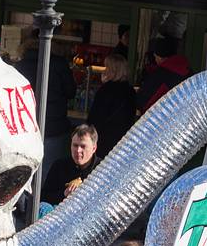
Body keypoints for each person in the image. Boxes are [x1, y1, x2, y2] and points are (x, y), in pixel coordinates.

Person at [17, 31, 76, 169]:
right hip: (54, 126)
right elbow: (71, 91)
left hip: (26, 126)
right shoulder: (59, 64)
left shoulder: (20, 66)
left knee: (25, 171)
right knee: (50, 171)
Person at [87, 53, 138, 155]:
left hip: (103, 141)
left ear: (112, 70)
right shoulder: (130, 91)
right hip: (122, 142)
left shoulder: (106, 90)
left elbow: (94, 118)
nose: (105, 70)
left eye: (107, 67)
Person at [41, 124, 99, 207]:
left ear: (94, 148)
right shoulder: (59, 166)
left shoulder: (102, 168)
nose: (78, 150)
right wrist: (64, 194)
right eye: (75, 145)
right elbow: (43, 197)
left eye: (83, 146)